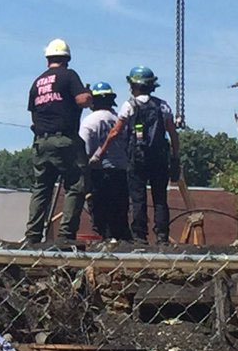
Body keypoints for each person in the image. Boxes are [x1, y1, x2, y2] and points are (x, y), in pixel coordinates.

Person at [92, 65, 180, 245]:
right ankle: (162, 236)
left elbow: (115, 132)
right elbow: (172, 133)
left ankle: (140, 236)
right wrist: (175, 156)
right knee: (160, 198)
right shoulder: (162, 105)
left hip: (137, 157)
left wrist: (100, 153)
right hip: (159, 157)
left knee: (138, 198)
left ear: (134, 85)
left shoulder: (129, 105)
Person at [25, 39, 92, 244]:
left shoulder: (37, 83)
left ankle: (33, 236)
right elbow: (82, 100)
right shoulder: (69, 76)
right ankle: (65, 235)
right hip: (64, 140)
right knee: (75, 185)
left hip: (40, 142)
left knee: (42, 188)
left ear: (48, 60)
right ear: (67, 59)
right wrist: (88, 96)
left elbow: (33, 112)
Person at [79, 81, 132, 241]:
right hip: (122, 173)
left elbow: (85, 151)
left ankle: (105, 244)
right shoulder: (120, 120)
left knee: (101, 216)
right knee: (119, 215)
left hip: (99, 173)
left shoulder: (90, 121)